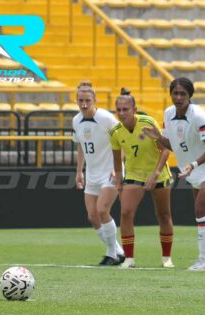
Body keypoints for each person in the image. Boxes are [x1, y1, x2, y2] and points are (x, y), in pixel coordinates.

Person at [141, 77, 205, 271]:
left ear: (190, 95)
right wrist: (158, 137)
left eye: (183, 93)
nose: (178, 97)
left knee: (200, 209)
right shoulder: (168, 114)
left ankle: (201, 260)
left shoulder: (198, 116)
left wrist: (193, 164)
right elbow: (171, 145)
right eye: (175, 93)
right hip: (193, 167)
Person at [109, 88, 175, 269]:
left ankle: (166, 258)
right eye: (119, 109)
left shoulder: (147, 123)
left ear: (134, 109)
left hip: (158, 173)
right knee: (125, 213)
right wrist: (119, 180)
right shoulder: (115, 131)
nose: (122, 113)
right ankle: (129, 259)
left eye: (125, 109)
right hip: (134, 175)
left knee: (163, 215)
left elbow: (165, 149)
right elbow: (116, 160)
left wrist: (155, 174)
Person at [72, 80, 125, 265]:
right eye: (80, 100)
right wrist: (79, 171)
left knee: (103, 211)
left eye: (87, 100)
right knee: (92, 217)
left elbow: (123, 141)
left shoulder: (106, 118)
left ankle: (112, 254)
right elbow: (80, 146)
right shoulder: (76, 120)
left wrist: (117, 167)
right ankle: (119, 251)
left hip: (111, 172)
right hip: (92, 173)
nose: (84, 104)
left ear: (95, 100)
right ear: (76, 100)